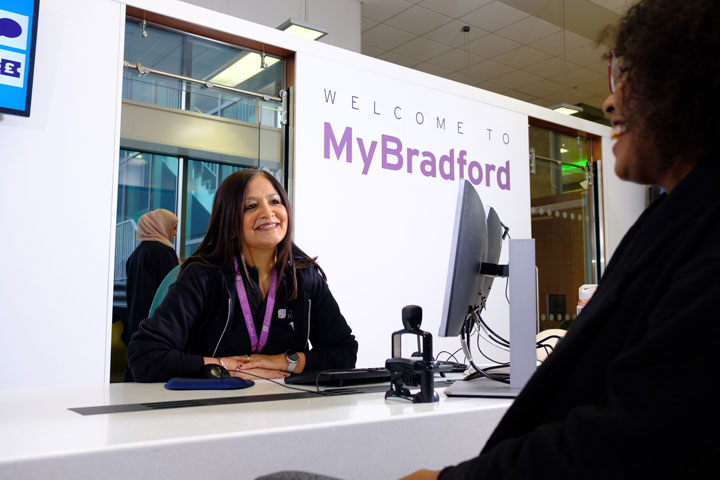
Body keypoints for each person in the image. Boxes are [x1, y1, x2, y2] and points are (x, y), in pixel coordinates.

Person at [400, 0, 720, 478]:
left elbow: (641, 438)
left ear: (689, 84)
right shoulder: (683, 219)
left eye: (627, 75)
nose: (610, 101)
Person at [127, 169, 358, 382]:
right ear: (229, 219)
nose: (268, 213)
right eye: (251, 206)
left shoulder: (304, 276)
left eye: (275, 202)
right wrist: (227, 368)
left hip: (286, 409)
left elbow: (344, 351)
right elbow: (145, 356)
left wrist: (280, 362)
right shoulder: (203, 275)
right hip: (209, 411)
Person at [124, 208, 179, 347]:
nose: (175, 233)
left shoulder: (137, 253)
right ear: (161, 227)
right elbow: (172, 291)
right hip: (156, 327)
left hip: (136, 324)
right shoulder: (163, 252)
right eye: (173, 228)